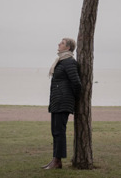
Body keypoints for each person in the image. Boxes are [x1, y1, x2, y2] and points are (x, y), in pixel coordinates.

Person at [42, 37, 81, 170]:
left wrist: (72, 98)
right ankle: (55, 160)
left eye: (62, 43)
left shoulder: (69, 62)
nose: (59, 44)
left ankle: (57, 161)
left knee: (59, 131)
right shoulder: (61, 61)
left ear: (68, 48)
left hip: (63, 102)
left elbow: (76, 83)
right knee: (55, 131)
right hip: (57, 101)